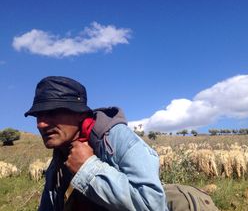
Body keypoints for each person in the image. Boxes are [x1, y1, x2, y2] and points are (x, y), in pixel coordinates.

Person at [25, 76, 168, 211]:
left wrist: (88, 168)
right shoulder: (58, 159)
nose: (41, 124)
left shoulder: (116, 138)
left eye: (52, 113)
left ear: (80, 114)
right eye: (38, 116)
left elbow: (153, 205)